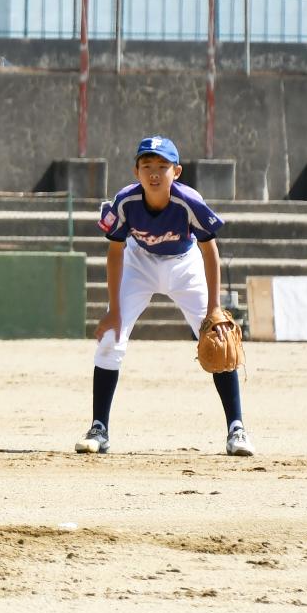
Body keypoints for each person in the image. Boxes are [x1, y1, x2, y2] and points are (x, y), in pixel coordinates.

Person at [77, 135, 253, 457]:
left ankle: (236, 429)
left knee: (220, 339)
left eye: (162, 166)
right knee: (110, 340)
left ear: (177, 171)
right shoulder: (125, 202)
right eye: (147, 166)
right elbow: (115, 253)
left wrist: (214, 309)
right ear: (136, 171)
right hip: (138, 262)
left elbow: (209, 251)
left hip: (184, 266)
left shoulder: (189, 201)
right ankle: (99, 428)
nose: (154, 173)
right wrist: (115, 309)